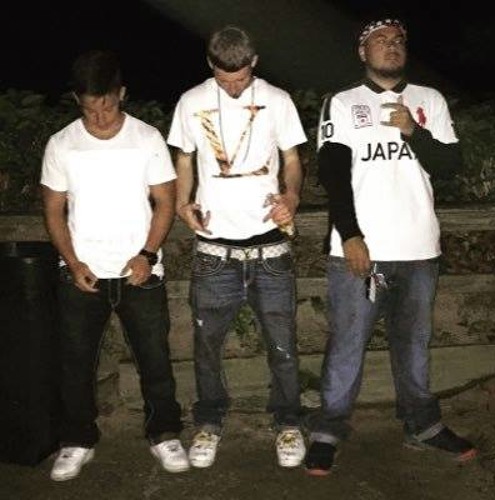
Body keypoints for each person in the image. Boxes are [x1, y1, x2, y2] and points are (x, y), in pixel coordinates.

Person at [304, 18, 478, 476]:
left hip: (419, 249)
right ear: (363, 52)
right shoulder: (343, 102)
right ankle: (329, 430)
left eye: (398, 40)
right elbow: (333, 174)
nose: (391, 46)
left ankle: (422, 424)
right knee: (347, 343)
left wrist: (412, 132)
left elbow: (451, 165)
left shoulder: (429, 100)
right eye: (380, 41)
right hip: (361, 251)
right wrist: (350, 235)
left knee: (414, 344)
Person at [40, 49, 189, 481]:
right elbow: (53, 211)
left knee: (154, 359)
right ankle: (77, 439)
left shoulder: (146, 138)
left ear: (121, 93)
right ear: (77, 100)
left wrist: (147, 254)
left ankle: (164, 433)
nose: (100, 117)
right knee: (75, 363)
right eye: (90, 108)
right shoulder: (62, 144)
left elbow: (165, 202)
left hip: (139, 272)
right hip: (82, 273)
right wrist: (72, 262)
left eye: (107, 105)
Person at [167, 25, 307, 469]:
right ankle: (209, 423)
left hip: (270, 248)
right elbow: (184, 157)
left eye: (241, 79)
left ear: (254, 63)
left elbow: (292, 159)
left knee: (283, 345)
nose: (233, 88)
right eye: (224, 80)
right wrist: (182, 204)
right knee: (207, 345)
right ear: (211, 65)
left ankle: (288, 423)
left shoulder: (278, 100)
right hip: (214, 249)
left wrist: (291, 197)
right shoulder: (191, 101)